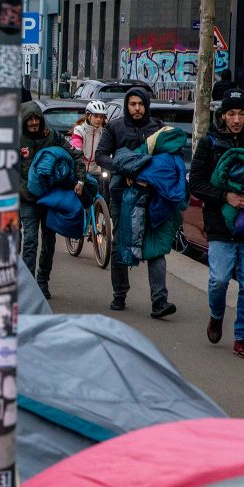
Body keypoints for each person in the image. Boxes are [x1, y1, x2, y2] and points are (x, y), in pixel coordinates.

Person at [188, 91, 244, 359]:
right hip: (220, 228)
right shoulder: (209, 142)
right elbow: (196, 184)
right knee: (219, 280)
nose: (236, 119)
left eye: (241, 114)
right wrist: (225, 196)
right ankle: (216, 315)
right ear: (222, 115)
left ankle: (242, 337)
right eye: (231, 114)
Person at [0, 102, 86, 298]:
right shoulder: (14, 138)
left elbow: (75, 155)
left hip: (50, 199)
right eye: (30, 120)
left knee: (49, 243)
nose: (34, 123)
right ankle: (28, 285)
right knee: (30, 241)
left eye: (37, 119)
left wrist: (81, 180)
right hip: (26, 198)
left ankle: (43, 282)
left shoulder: (51, 136)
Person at [95, 87, 178, 317]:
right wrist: (124, 170)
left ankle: (159, 301)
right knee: (120, 243)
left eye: (140, 104)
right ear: (127, 106)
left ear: (146, 105)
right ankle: (119, 294)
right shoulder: (115, 127)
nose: (137, 108)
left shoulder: (157, 128)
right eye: (132, 104)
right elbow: (102, 155)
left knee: (155, 247)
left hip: (151, 195)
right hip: (122, 194)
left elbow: (168, 158)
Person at [70, 100, 108, 178]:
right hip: (80, 170)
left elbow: (107, 152)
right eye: (96, 116)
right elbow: (76, 153)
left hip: (98, 172)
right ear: (88, 115)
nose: (99, 119)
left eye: (101, 117)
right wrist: (80, 175)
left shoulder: (104, 132)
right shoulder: (79, 130)